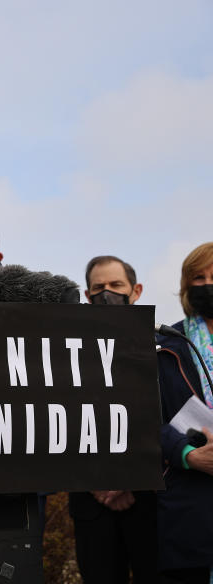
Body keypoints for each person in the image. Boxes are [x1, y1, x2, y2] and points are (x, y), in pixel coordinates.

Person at [68, 255, 155, 583]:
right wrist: (98, 482)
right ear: (87, 297)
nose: (107, 293)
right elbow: (60, 422)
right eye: (98, 288)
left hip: (148, 500)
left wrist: (129, 477)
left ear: (136, 291)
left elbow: (162, 420)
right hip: (91, 503)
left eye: (116, 286)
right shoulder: (67, 353)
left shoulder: (162, 348)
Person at [156, 242, 213, 583]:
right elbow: (147, 420)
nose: (208, 283)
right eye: (198, 277)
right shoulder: (167, 346)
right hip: (192, 506)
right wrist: (188, 455)